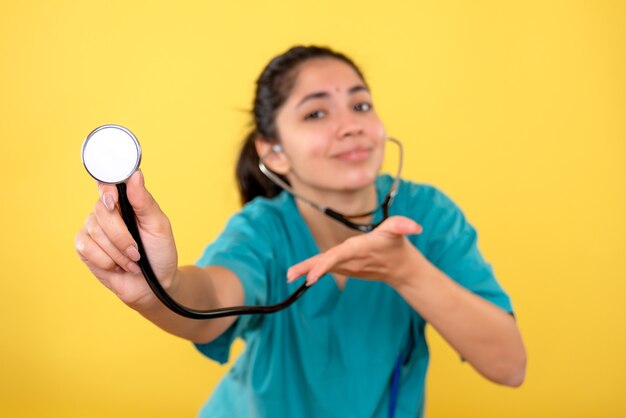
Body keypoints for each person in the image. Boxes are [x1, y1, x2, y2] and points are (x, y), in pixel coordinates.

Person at [75, 45, 526, 418]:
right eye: (316, 115)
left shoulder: (427, 214)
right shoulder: (264, 230)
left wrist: (407, 271)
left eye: (360, 104)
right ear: (274, 153)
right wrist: (158, 288)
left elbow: (509, 365)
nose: (350, 125)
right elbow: (212, 299)